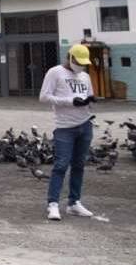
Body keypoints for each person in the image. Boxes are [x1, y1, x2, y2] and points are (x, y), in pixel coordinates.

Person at [38, 43, 97, 221]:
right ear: (69, 57)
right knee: (61, 165)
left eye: (83, 63)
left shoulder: (85, 76)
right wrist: (70, 101)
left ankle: (74, 203)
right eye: (78, 62)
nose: (80, 66)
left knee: (79, 165)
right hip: (64, 127)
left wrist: (90, 101)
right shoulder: (55, 72)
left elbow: (89, 96)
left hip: (85, 124)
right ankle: (53, 204)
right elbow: (44, 97)